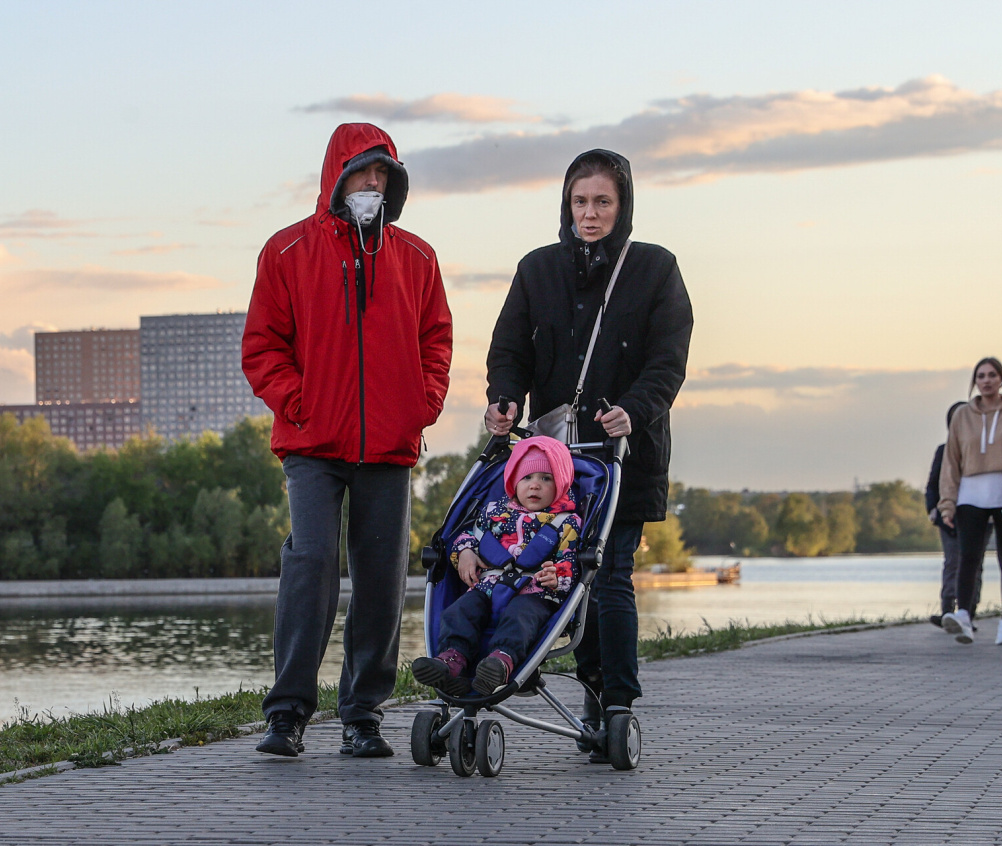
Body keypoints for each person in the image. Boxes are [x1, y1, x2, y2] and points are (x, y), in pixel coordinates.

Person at [242, 123, 453, 757]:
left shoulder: (418, 258)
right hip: (312, 443)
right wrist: (299, 403)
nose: (373, 183)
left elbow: (436, 341)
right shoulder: (286, 251)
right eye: (362, 171)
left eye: (383, 174)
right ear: (337, 177)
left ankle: (362, 714)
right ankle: (287, 714)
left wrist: (421, 405)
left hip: (389, 446)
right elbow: (262, 347)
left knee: (383, 578)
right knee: (310, 564)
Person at [484, 149, 693, 761]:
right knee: (560, 576)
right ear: (566, 205)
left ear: (622, 205)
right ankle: (582, 684)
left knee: (609, 576)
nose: (591, 213)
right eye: (580, 201)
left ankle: (616, 701)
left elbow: (668, 359)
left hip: (625, 453)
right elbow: (509, 350)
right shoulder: (537, 269)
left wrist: (635, 408)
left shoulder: (655, 269)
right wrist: (504, 400)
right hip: (553, 462)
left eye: (603, 201)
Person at [412, 436, 582, 696]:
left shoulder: (566, 522)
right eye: (527, 478)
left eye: (546, 479)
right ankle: (453, 659)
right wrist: (465, 552)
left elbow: (570, 560)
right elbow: (468, 535)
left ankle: (500, 662)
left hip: (534, 592)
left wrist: (557, 576)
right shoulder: (493, 513)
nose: (535, 484)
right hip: (488, 586)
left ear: (561, 483)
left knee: (520, 618)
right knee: (459, 611)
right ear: (514, 482)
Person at [939, 358, 1002, 646]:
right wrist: (947, 502)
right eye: (981, 376)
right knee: (969, 557)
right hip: (971, 493)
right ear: (975, 381)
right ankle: (963, 615)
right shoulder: (962, 416)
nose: (986, 381)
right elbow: (951, 461)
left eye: (992, 375)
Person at [925, 401, 985, 629]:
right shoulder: (943, 451)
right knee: (952, 562)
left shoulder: (983, 450)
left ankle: (968, 611)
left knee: (975, 563)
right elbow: (933, 484)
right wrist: (933, 509)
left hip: (979, 515)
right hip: (949, 517)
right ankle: (947, 610)